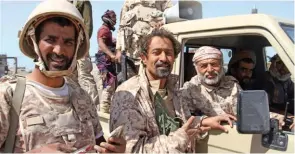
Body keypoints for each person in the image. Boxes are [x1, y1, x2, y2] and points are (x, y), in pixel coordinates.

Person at [0, 0, 125, 152]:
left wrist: (113, 150)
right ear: (33, 41)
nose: (59, 50)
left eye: (68, 42)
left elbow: (99, 144)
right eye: (50, 40)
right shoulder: (8, 97)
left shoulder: (81, 97)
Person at [110, 28, 236, 153]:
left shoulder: (174, 89)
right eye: (156, 52)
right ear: (144, 57)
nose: (163, 58)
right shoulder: (129, 95)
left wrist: (204, 121)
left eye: (168, 53)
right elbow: (133, 149)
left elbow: (183, 125)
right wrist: (180, 139)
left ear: (174, 58)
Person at [115, 0, 174, 79]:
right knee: (130, 81)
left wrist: (163, 22)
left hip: (151, 47)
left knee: (150, 79)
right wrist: (119, 49)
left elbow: (170, 13)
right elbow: (121, 26)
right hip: (131, 50)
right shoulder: (128, 2)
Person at [180, 46, 242, 116]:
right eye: (204, 66)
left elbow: (246, 111)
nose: (210, 70)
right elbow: (185, 119)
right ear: (196, 68)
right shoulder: (189, 89)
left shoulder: (232, 85)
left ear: (221, 65)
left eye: (214, 64)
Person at [67, 0, 100, 108]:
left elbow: (87, 25)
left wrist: (82, 43)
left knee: (85, 75)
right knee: (69, 77)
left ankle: (92, 107)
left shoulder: (82, 2)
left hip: (80, 44)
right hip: (67, 45)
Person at [95, 10, 117, 113]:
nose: (115, 20)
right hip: (105, 60)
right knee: (108, 84)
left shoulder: (107, 30)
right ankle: (104, 110)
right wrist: (111, 54)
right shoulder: (104, 30)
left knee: (110, 84)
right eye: (114, 17)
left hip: (107, 60)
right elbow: (101, 44)